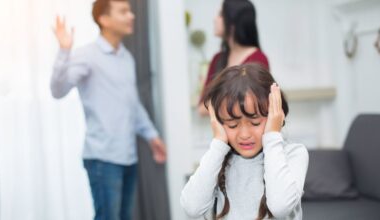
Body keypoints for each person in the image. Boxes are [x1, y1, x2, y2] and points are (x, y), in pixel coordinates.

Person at [50, 0, 166, 219]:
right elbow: (58, 90)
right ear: (104, 19)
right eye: (123, 11)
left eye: (130, 11)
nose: (131, 16)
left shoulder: (127, 59)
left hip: (128, 157)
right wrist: (64, 52)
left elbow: (132, 105)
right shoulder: (87, 56)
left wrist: (152, 136)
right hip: (102, 160)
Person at [181, 63, 309, 219]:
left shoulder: (294, 154)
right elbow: (192, 208)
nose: (244, 134)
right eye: (232, 124)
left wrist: (272, 137)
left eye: (255, 123)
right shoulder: (218, 157)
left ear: (274, 115)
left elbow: (280, 207)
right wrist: (218, 143)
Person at [198, 0, 269, 116]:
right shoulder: (217, 59)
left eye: (221, 15)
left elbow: (255, 105)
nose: (215, 19)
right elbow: (202, 108)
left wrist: (217, 100)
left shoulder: (258, 59)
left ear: (233, 22)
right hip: (221, 134)